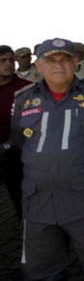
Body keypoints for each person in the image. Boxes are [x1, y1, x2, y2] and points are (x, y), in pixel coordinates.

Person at [11, 38, 84, 280]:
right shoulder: (24, 99)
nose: (58, 65)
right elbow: (20, 139)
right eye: (50, 59)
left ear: (75, 63)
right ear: (38, 65)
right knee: (41, 271)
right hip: (38, 200)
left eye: (65, 59)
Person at [0, 45, 31, 220]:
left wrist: (7, 145)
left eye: (11, 60)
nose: (8, 64)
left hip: (17, 155)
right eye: (3, 60)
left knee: (22, 200)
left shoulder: (26, 90)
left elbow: (31, 124)